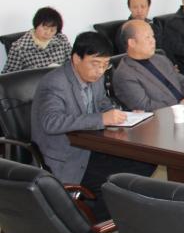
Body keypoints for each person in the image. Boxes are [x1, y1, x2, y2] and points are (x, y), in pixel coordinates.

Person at [31, 32, 155, 215]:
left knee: (145, 160)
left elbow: (102, 102)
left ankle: (118, 213)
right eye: (95, 64)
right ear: (76, 59)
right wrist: (101, 119)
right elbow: (51, 122)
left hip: (91, 147)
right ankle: (93, 223)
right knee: (114, 182)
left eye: (105, 65)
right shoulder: (55, 83)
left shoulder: (96, 77)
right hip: (67, 155)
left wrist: (123, 114)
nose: (100, 70)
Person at [112, 20, 184, 111]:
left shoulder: (160, 59)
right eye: (147, 37)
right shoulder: (124, 74)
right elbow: (145, 106)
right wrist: (179, 105)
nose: (153, 41)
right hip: (165, 116)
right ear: (132, 43)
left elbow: (183, 81)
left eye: (152, 36)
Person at [2, 6, 72, 73]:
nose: (48, 33)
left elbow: (73, 62)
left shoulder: (61, 39)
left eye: (52, 30)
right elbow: (8, 75)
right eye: (45, 28)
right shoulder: (19, 47)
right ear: (36, 25)